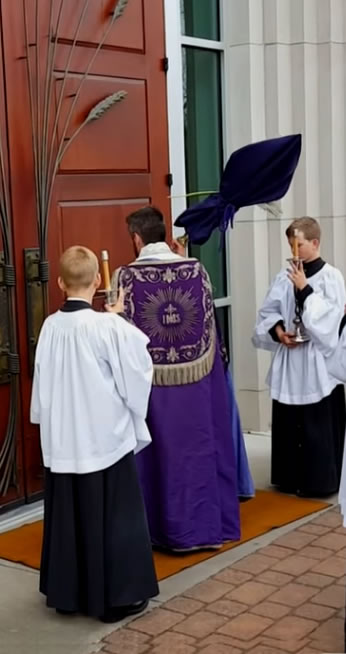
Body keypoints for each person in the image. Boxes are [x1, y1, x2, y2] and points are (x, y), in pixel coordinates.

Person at [30, 245, 159, 623]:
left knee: (70, 516)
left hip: (65, 440)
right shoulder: (108, 327)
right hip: (102, 440)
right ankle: (117, 597)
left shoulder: (51, 326)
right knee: (114, 517)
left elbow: (42, 387)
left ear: (59, 283)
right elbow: (138, 372)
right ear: (99, 281)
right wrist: (118, 321)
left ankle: (69, 594)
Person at [113, 206, 242, 552]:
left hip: (151, 391)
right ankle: (204, 529)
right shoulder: (197, 270)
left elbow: (119, 340)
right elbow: (213, 334)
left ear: (137, 239)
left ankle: (160, 532)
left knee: (158, 457)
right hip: (197, 387)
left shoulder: (125, 278)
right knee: (197, 451)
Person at [252, 217, 346, 497]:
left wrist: (305, 289)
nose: (294, 250)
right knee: (289, 421)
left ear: (315, 243)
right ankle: (289, 476)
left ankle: (320, 481)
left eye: (299, 244)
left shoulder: (331, 276)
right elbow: (268, 312)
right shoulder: (283, 277)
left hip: (318, 360)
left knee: (317, 423)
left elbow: (333, 320)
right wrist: (279, 330)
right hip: (291, 357)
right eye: (290, 243)